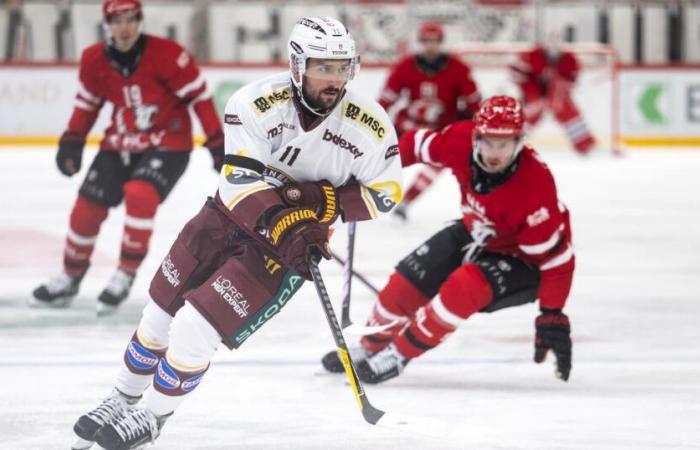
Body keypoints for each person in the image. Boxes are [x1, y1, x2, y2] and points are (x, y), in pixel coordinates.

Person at [70, 16, 403, 450]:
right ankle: (121, 398)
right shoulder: (255, 102)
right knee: (159, 313)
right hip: (224, 219)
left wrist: (327, 205)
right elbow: (238, 182)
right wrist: (285, 217)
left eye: (342, 68)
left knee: (194, 328)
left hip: (288, 251)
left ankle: (150, 417)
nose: (334, 80)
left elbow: (387, 192)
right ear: (297, 65)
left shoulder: (370, 126)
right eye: (323, 67)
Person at [322, 96, 575, 385]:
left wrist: (551, 314)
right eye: (488, 142)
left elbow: (558, 261)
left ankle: (398, 354)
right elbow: (414, 144)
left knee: (462, 286)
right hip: (477, 231)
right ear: (476, 136)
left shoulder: (534, 188)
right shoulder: (460, 140)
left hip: (523, 261)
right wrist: (374, 167)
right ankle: (370, 346)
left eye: (503, 144)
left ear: (519, 142)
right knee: (406, 280)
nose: (494, 153)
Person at [30, 0, 224, 315]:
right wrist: (73, 139)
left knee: (140, 194)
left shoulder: (168, 54)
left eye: (131, 19)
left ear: (139, 21)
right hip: (119, 143)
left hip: (168, 144)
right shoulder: (93, 59)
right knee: (85, 210)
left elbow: (200, 98)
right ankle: (70, 275)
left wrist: (217, 141)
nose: (125, 27)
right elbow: (87, 103)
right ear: (107, 24)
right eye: (117, 20)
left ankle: (125, 272)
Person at [378, 21, 481, 220]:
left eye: (435, 41)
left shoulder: (458, 69)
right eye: (426, 41)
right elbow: (386, 100)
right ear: (420, 42)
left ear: (441, 42)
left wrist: (471, 128)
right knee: (385, 159)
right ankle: (360, 189)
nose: (430, 46)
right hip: (407, 127)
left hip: (441, 131)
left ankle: (407, 201)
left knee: (439, 163)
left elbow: (473, 104)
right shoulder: (404, 66)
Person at [510, 43, 596, 155]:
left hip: (557, 93)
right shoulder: (531, 56)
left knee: (567, 111)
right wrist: (533, 94)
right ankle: (511, 142)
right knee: (527, 114)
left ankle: (585, 144)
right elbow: (517, 73)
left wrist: (555, 96)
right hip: (533, 91)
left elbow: (570, 80)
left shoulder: (569, 60)